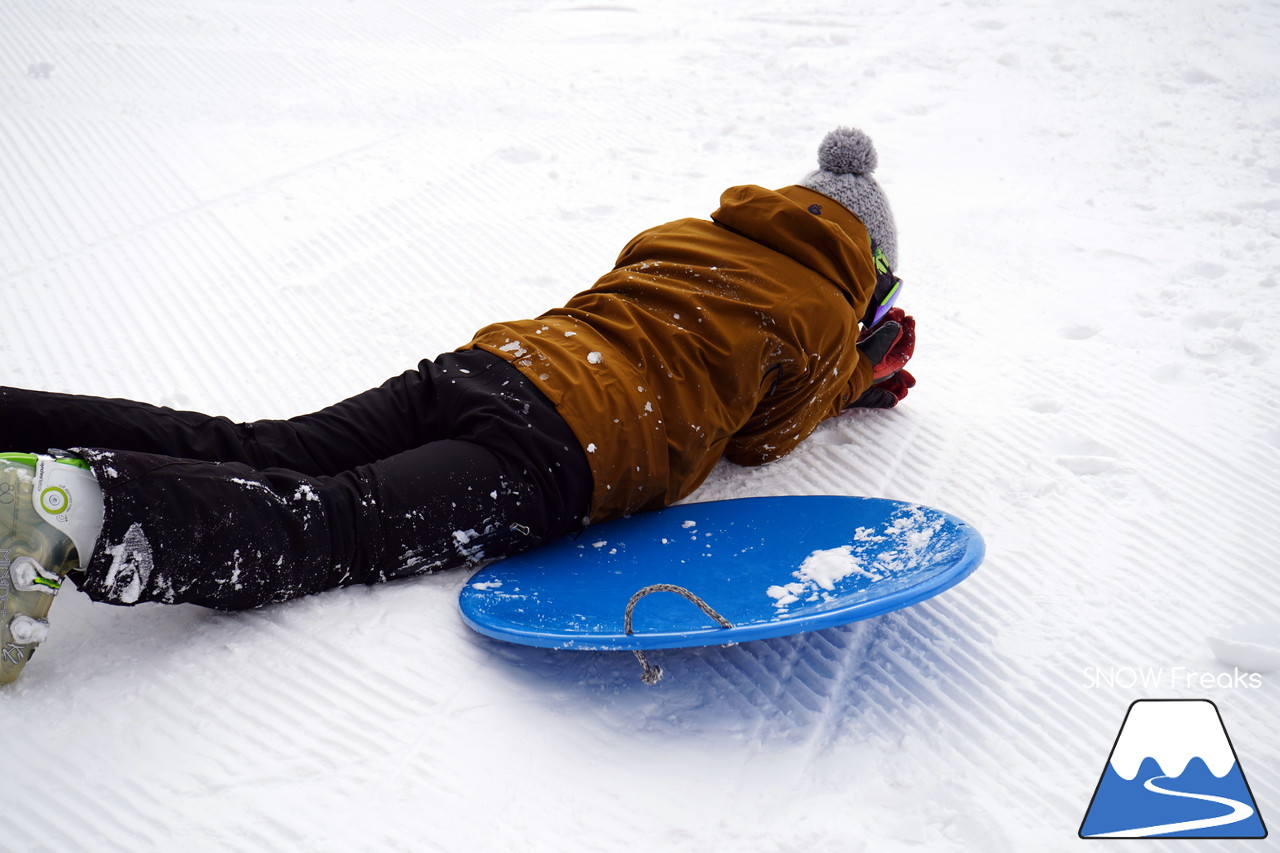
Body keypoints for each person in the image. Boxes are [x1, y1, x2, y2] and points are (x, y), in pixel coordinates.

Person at [0, 126, 916, 683]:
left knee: (263, 443)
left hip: (490, 364)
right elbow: (765, 437)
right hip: (566, 446)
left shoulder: (688, 230)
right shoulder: (824, 316)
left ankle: (20, 429)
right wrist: (856, 375)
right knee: (339, 525)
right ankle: (78, 511)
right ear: (867, 267)